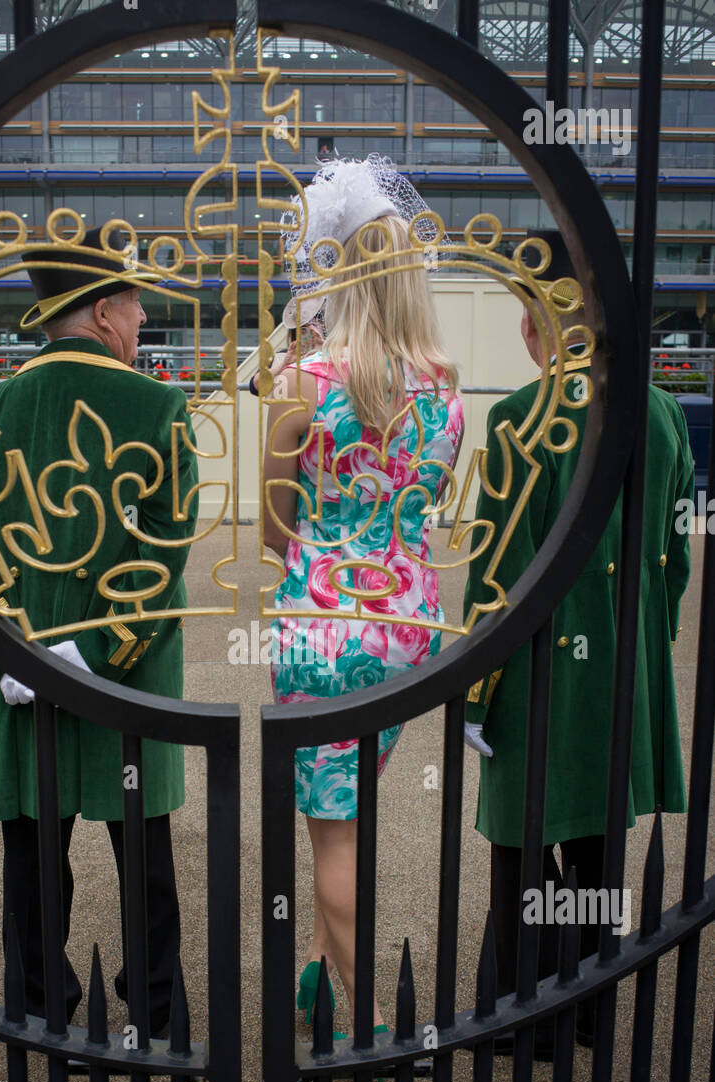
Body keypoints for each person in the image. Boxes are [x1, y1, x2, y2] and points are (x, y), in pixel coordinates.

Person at [0, 225, 198, 1035]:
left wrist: (7, 649)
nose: (142, 316)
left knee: (32, 862)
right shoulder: (159, 404)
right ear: (100, 310)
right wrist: (96, 649)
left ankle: (43, 1009)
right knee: (145, 865)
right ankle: (156, 1013)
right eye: (133, 301)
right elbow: (167, 546)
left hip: (20, 683)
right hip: (132, 676)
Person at [463, 228, 694, 1057]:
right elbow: (677, 558)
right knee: (601, 859)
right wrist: (645, 650)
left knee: (522, 852)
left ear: (541, 319)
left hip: (535, 676)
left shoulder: (521, 417)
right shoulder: (661, 410)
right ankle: (591, 1010)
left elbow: (499, 572)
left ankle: (528, 1020)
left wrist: (476, 690)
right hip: (625, 673)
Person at [263, 156, 464, 1035]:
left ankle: (371, 1023)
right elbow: (426, 510)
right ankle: (314, 973)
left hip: (321, 626)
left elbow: (273, 530)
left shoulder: (301, 385)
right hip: (412, 626)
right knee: (349, 804)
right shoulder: (447, 386)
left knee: (331, 828)